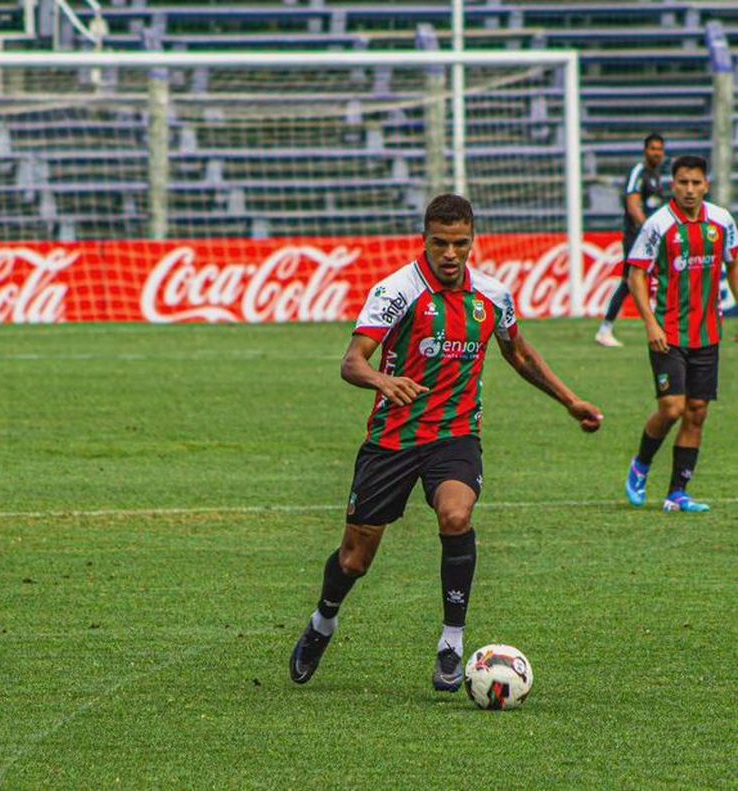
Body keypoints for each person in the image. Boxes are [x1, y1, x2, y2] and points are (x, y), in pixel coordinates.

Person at [289, 194, 603, 692]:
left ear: (473, 240)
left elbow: (518, 353)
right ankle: (324, 621)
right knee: (354, 559)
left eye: (460, 243)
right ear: (425, 240)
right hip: (392, 439)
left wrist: (570, 401)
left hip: (455, 435)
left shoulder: (493, 296)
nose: (450, 253)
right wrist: (381, 381)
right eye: (440, 243)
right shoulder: (397, 291)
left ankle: (452, 642)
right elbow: (352, 360)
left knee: (456, 515)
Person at [624, 155, 737, 514]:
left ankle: (677, 494)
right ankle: (641, 464)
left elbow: (733, 265)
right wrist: (650, 323)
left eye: (696, 183)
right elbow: (636, 275)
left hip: (708, 333)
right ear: (673, 185)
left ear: (706, 185)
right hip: (668, 333)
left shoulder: (722, 221)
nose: (690, 190)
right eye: (683, 183)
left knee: (697, 411)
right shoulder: (658, 225)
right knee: (672, 408)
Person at [595, 134, 667, 348]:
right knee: (629, 281)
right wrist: (650, 231)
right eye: (653, 148)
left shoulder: (656, 175)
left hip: (649, 236)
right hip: (637, 237)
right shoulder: (639, 172)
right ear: (645, 150)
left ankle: (660, 322)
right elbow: (633, 204)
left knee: (649, 278)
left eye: (660, 149)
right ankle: (605, 329)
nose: (657, 153)